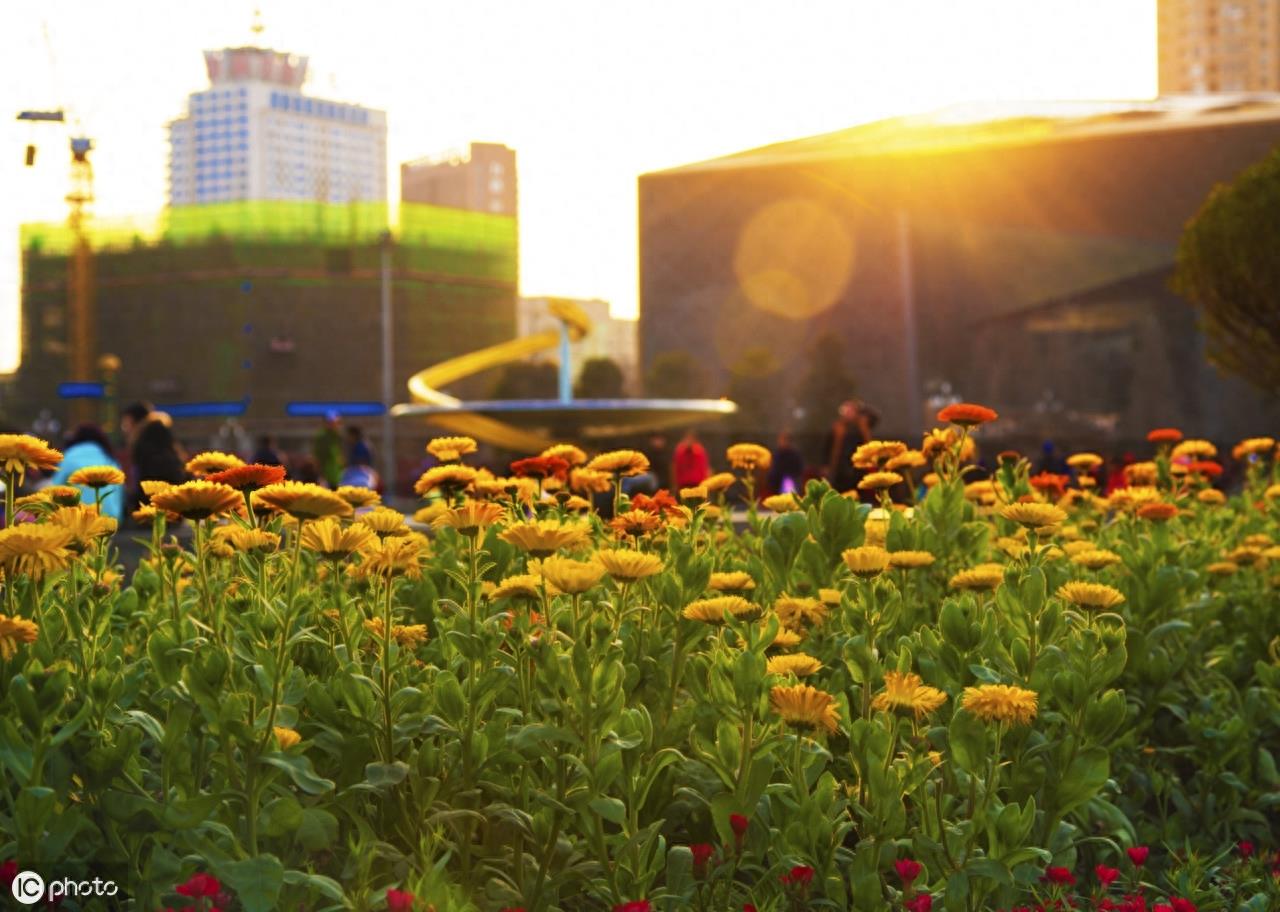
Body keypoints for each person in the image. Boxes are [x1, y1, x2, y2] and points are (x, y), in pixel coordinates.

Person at [50, 424, 125, 521]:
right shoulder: (109, 458)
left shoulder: (70, 456)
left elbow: (54, 488)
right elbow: (120, 491)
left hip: (79, 518)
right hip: (111, 518)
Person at [130, 412, 187, 510]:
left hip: (147, 512)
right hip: (174, 513)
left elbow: (137, 488)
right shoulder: (174, 458)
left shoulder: (143, 457)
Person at [823, 400, 873, 492]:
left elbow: (868, 446)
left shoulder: (861, 428)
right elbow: (827, 448)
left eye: (851, 410)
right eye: (846, 410)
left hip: (857, 469)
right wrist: (826, 465)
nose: (848, 413)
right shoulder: (837, 428)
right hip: (840, 470)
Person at [339, 426, 380, 491]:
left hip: (361, 476)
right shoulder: (356, 445)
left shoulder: (362, 446)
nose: (347, 438)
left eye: (348, 435)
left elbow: (362, 463)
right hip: (360, 475)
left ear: (354, 435)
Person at [312, 413, 344, 488]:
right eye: (331, 422)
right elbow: (318, 454)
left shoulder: (337, 435)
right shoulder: (322, 436)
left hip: (336, 471)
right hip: (325, 470)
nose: (334, 424)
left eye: (336, 422)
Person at [768, 431, 805, 496]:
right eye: (781, 439)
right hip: (776, 484)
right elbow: (773, 469)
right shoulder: (777, 454)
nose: (782, 442)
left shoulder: (795, 455)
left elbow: (799, 470)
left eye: (784, 439)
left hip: (790, 483)